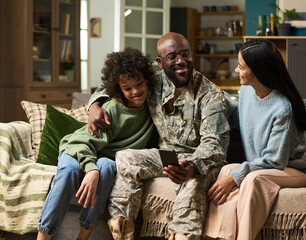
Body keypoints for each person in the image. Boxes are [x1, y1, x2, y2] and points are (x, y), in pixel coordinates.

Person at [87, 32, 230, 240]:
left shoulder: (211, 95)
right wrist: (94, 105)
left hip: (202, 161)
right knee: (125, 157)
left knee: (192, 184)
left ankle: (182, 235)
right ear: (160, 62)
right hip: (166, 156)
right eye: (172, 56)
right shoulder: (152, 82)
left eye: (185, 54)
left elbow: (214, 144)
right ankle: (121, 231)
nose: (181, 61)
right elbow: (114, 84)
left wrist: (192, 166)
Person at [37, 48, 156, 240]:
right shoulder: (111, 110)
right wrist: (91, 169)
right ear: (119, 89)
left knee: (108, 167)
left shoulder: (153, 105)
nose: (135, 91)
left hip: (103, 156)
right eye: (127, 88)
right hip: (77, 149)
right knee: (69, 172)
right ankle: (43, 237)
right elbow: (82, 143)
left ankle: (82, 238)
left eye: (139, 84)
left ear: (147, 80)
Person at [202, 39, 306, 240]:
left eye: (241, 67)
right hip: (265, 167)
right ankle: (218, 237)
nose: (236, 70)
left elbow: (274, 161)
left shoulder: (283, 109)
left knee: (251, 178)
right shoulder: (247, 91)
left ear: (259, 71)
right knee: (227, 170)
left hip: (292, 170)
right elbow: (239, 118)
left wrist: (238, 176)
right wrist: (214, 96)